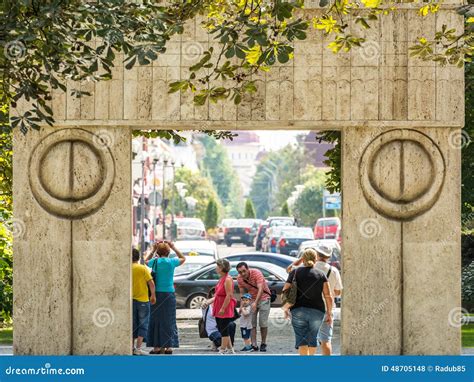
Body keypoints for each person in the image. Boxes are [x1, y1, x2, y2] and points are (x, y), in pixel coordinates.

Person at [286, 245, 342, 355]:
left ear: (317, 254)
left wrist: (302, 258)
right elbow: (337, 292)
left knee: (303, 340)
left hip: (302, 308)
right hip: (324, 309)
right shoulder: (333, 270)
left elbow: (288, 270)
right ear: (329, 256)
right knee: (325, 340)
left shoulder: (301, 268)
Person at [145, 240, 186, 354]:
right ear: (168, 252)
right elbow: (183, 258)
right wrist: (173, 247)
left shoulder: (154, 262)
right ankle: (169, 347)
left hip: (156, 294)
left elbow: (145, 261)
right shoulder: (171, 262)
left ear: (158, 252)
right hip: (169, 294)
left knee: (155, 319)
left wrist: (153, 249)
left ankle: (157, 347)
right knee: (169, 320)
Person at [203, 259, 237, 354]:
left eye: (217, 266)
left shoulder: (227, 279)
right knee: (222, 328)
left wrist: (223, 308)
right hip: (219, 305)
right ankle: (230, 349)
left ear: (221, 268)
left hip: (224, 306)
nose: (216, 268)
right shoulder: (222, 278)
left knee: (224, 330)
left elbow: (229, 295)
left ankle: (222, 349)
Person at [236, 262, 271, 352]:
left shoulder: (256, 273)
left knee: (263, 323)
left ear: (248, 269)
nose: (242, 273)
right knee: (252, 323)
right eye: (240, 272)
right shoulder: (239, 279)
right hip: (251, 300)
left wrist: (255, 303)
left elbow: (260, 289)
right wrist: (241, 306)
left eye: (244, 271)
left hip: (263, 298)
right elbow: (242, 293)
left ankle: (263, 343)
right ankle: (254, 344)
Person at [132, 247, 156, 355]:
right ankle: (138, 348)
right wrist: (153, 296)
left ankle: (131, 347)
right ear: (139, 257)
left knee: (132, 324)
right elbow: (151, 283)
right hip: (143, 300)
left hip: (130, 301)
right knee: (143, 324)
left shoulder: (126, 269)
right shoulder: (142, 268)